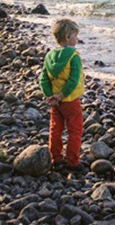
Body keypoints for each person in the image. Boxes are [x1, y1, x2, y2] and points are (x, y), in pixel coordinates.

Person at [39, 18, 85, 170]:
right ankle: (72, 162)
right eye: (75, 35)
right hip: (70, 100)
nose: (77, 38)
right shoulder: (74, 57)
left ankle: (56, 159)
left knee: (55, 129)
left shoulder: (50, 56)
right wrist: (62, 95)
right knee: (75, 130)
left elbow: (43, 79)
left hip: (55, 102)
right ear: (68, 37)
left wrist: (50, 96)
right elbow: (73, 80)